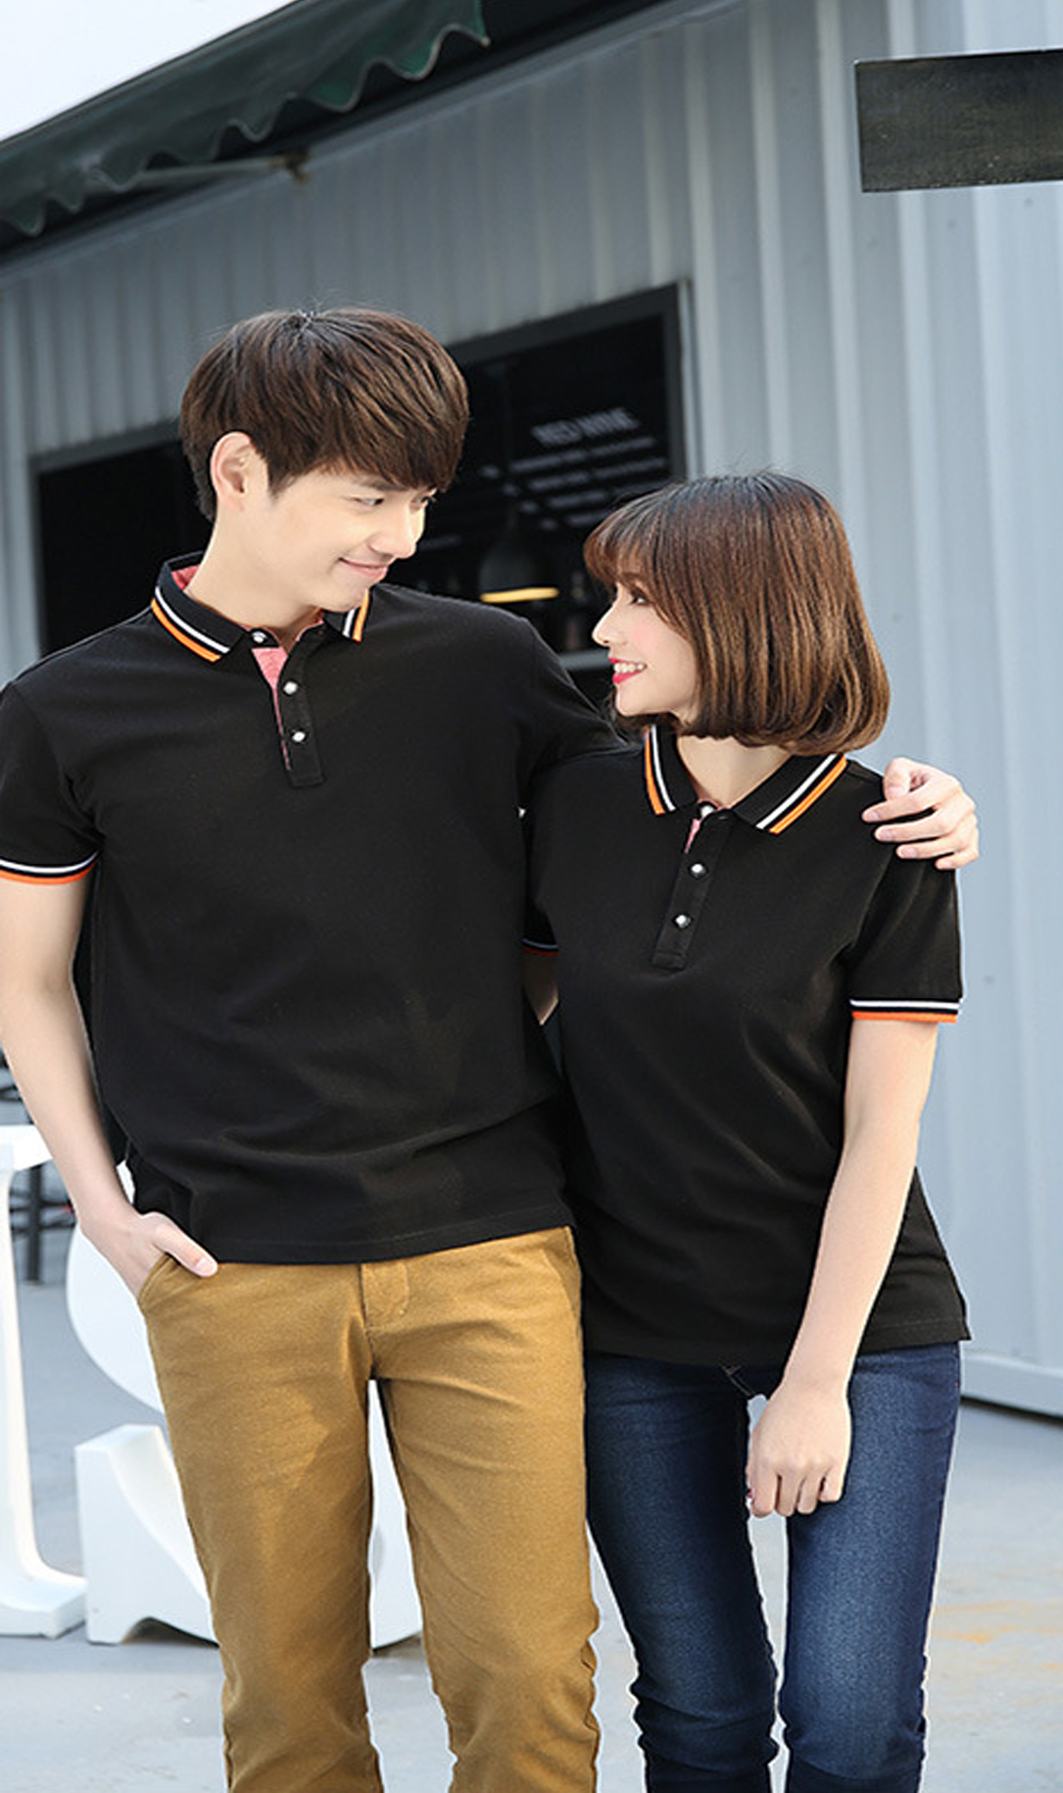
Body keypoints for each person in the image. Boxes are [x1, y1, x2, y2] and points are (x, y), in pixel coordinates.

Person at [0, 310, 974, 1793]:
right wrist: (104, 1207)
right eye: (368, 497)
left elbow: (677, 823)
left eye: (418, 499)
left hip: (496, 1239)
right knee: (289, 1704)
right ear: (241, 472)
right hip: (230, 1258)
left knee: (532, 1686)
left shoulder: (487, 662)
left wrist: (910, 800)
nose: (401, 534)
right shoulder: (62, 710)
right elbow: (30, 985)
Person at [525, 473, 970, 1793]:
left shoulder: (891, 834)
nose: (605, 628)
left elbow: (881, 1133)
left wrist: (815, 1384)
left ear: (743, 614)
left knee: (850, 1723)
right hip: (635, 1331)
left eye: (638, 600)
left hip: (858, 1329)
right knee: (703, 1715)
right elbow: (496, 1019)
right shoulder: (576, 807)